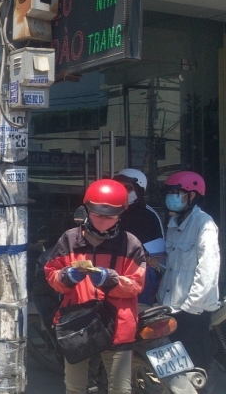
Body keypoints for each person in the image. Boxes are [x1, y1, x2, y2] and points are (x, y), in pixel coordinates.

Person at [44, 179, 146, 394]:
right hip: (77, 323)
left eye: (110, 216)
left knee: (120, 389)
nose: (102, 221)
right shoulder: (69, 239)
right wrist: (66, 276)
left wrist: (111, 280)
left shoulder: (130, 244)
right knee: (75, 388)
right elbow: (52, 275)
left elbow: (136, 284)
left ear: (120, 214)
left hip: (118, 324)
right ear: (87, 210)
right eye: (97, 215)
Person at [156, 171, 221, 390]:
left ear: (192, 195)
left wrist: (191, 306)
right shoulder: (174, 223)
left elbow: (208, 269)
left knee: (197, 369)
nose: (171, 197)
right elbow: (174, 266)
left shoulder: (204, 223)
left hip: (193, 310)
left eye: (177, 193)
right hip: (170, 307)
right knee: (175, 370)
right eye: (170, 193)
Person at [112, 168, 165, 305]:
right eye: (119, 187)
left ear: (139, 190)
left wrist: (150, 261)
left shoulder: (148, 216)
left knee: (138, 312)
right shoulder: (109, 211)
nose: (123, 191)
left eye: (128, 188)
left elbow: (158, 255)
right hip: (111, 271)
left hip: (140, 273)